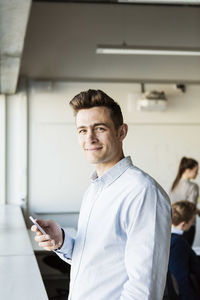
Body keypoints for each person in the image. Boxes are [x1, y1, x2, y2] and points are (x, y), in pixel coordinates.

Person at [31, 89, 171, 300]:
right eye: (82, 130)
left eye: (100, 128)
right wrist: (62, 241)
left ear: (121, 132)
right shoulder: (94, 190)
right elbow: (98, 261)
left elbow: (144, 289)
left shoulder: (143, 193)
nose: (90, 138)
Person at [168, 200, 200, 300]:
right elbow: (181, 280)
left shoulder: (167, 238)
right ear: (183, 224)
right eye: (192, 221)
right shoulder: (177, 243)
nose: (192, 224)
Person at [170, 157, 199, 246]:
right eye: (196, 171)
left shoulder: (174, 185)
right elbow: (191, 207)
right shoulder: (193, 186)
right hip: (187, 224)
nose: (197, 174)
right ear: (187, 170)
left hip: (173, 224)